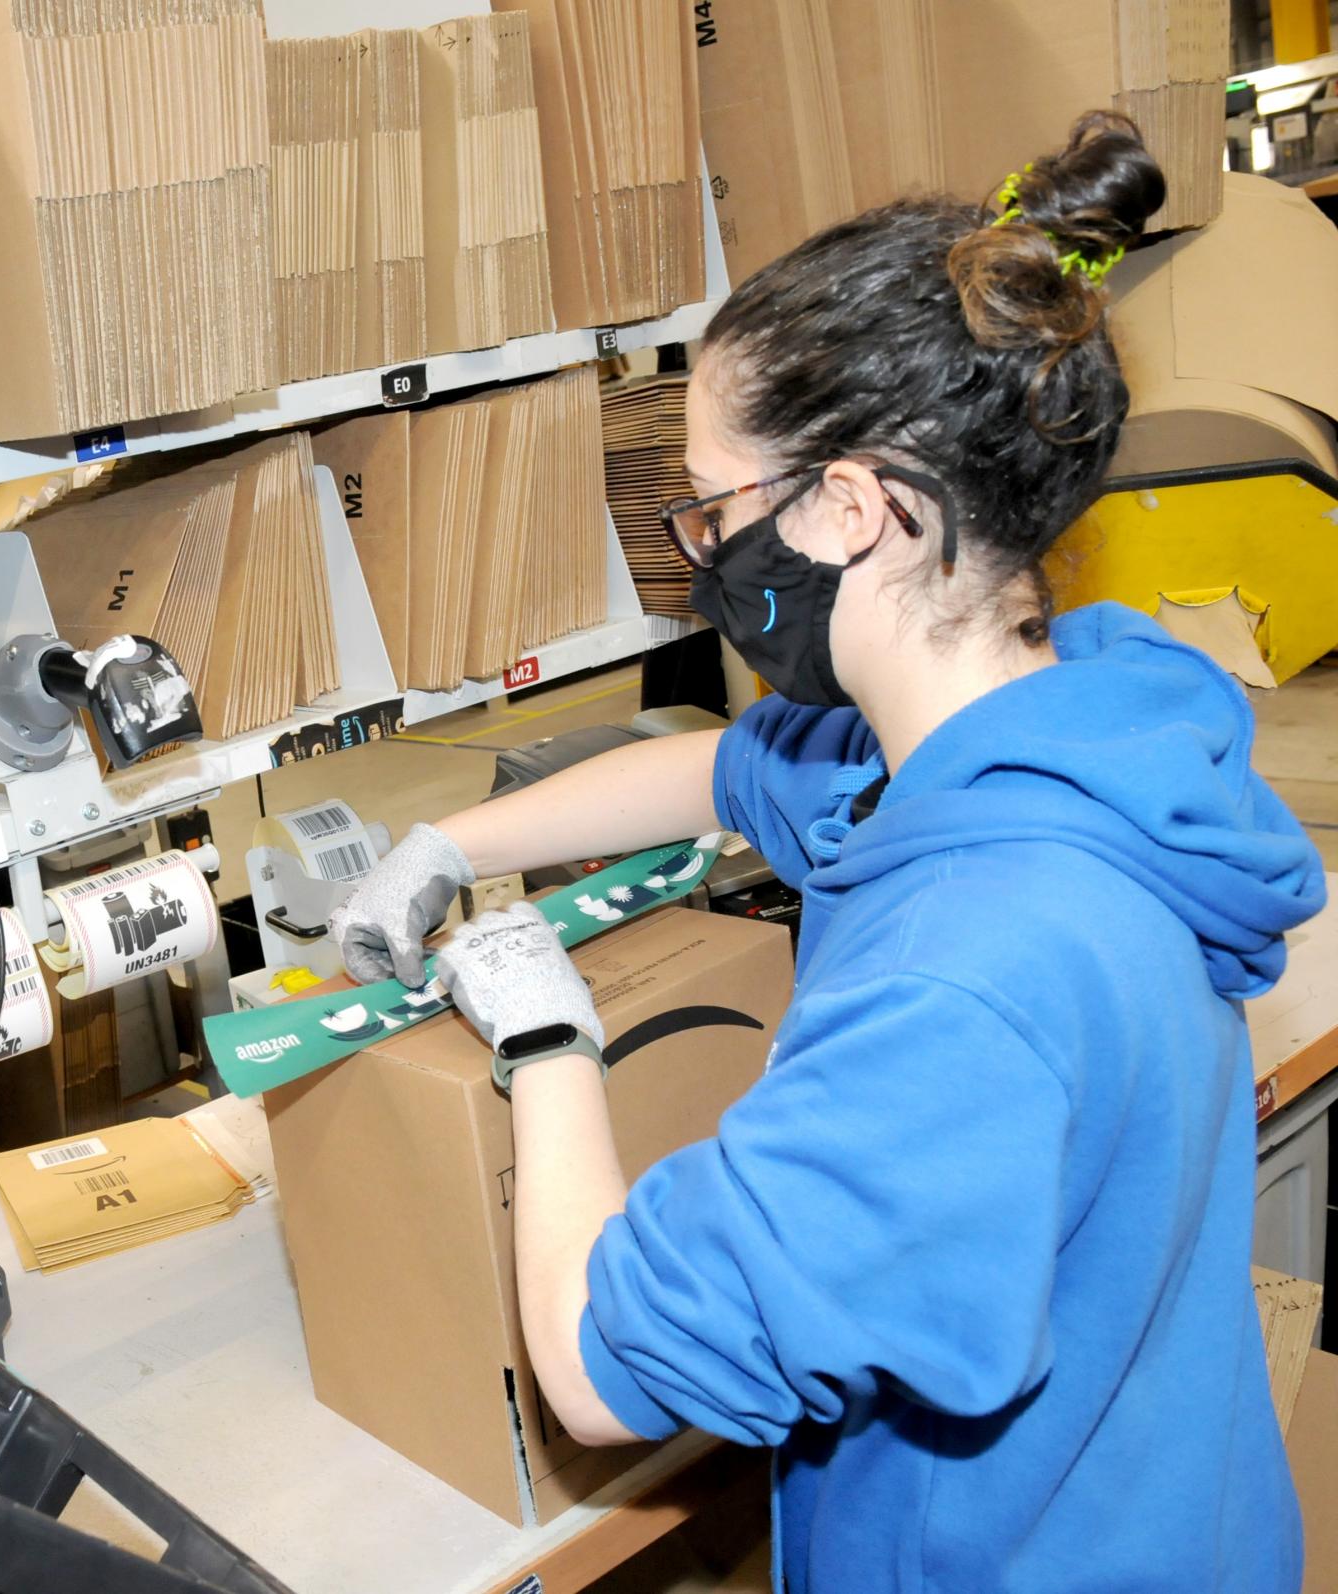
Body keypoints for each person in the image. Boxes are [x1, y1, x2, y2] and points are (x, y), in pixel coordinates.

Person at [330, 114, 1324, 1592]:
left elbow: (602, 1368)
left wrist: (545, 1041)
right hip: (1164, 1511)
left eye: (716, 507)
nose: (703, 549)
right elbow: (723, 771)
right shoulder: (1079, 723)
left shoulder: (968, 972)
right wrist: (443, 841)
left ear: (852, 508)